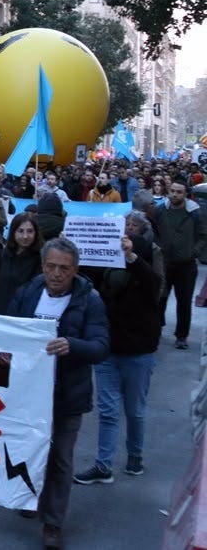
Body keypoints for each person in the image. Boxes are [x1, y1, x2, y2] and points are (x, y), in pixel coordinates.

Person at [7, 238, 109, 550]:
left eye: (64, 268)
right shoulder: (28, 292)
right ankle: (29, 497)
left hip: (68, 394)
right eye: (51, 267)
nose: (56, 274)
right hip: (30, 394)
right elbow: (7, 328)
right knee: (28, 449)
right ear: (42, 266)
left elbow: (101, 346)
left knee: (62, 459)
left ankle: (53, 522)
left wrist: (72, 345)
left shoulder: (90, 300)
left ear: (75, 270)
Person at [73, 230, 161, 485]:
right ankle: (104, 466)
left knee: (134, 411)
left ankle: (135, 456)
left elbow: (154, 283)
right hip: (108, 352)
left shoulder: (145, 277)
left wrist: (131, 256)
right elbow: (85, 274)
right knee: (108, 411)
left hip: (138, 354)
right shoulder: (107, 276)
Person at [153, 181, 207, 349]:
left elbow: (203, 235)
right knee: (160, 298)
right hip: (165, 263)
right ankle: (156, 330)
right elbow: (154, 232)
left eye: (179, 192)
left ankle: (181, 336)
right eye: (173, 191)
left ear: (185, 194)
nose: (175, 194)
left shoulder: (195, 213)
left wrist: (194, 252)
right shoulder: (160, 210)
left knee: (183, 302)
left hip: (186, 265)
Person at [0, 212, 45, 315]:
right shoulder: (0, 256)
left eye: (30, 231)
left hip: (25, 320)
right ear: (13, 232)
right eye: (21, 231)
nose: (25, 236)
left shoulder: (42, 259)